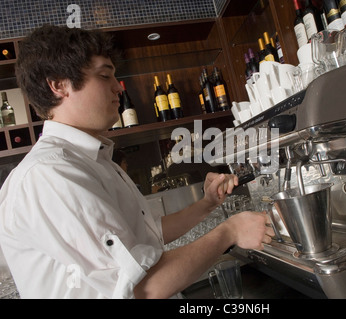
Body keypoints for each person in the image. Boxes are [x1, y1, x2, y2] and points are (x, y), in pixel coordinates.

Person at [0, 25, 274, 299]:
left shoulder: (94, 161)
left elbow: (149, 234)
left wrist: (207, 204)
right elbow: (143, 287)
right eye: (105, 75)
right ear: (59, 84)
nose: (118, 88)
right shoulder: (51, 174)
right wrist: (231, 231)